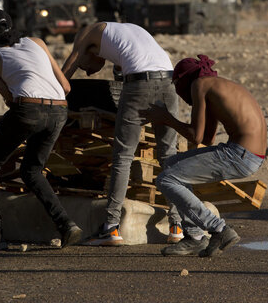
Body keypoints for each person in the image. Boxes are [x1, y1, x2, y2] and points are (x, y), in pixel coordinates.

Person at [0, 9, 83, 250]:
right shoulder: (37, 42)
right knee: (32, 170)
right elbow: (66, 86)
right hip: (60, 109)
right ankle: (67, 225)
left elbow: (9, 99)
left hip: (29, 110)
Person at [62, 21, 182, 246]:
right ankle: (177, 226)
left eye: (86, 65)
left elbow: (65, 76)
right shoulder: (128, 30)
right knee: (169, 155)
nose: (87, 71)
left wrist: (50, 95)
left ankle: (111, 227)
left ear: (90, 48)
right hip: (168, 82)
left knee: (123, 157)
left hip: (139, 85)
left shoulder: (87, 32)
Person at [142, 55, 266, 257]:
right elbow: (207, 138)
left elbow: (196, 135)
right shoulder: (217, 86)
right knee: (172, 163)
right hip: (249, 154)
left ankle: (219, 229)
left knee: (167, 179)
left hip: (239, 155)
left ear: (183, 80)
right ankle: (195, 237)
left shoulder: (199, 84)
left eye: (177, 86)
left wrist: (166, 118)